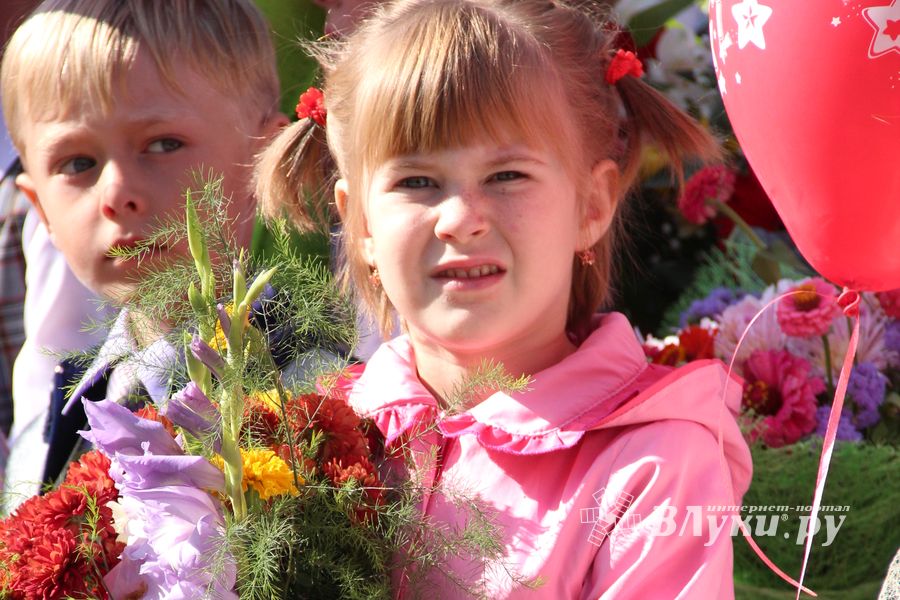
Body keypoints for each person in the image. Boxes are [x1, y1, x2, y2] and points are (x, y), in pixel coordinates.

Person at [257, 0, 752, 597]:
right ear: (360, 223)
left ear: (591, 204)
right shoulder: (313, 435)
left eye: (507, 176)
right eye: (417, 182)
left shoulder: (651, 465)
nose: (460, 220)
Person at [0, 0, 293, 506]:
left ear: (264, 160)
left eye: (162, 145)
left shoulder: (322, 393)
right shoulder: (50, 430)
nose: (116, 193)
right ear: (39, 208)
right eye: (78, 162)